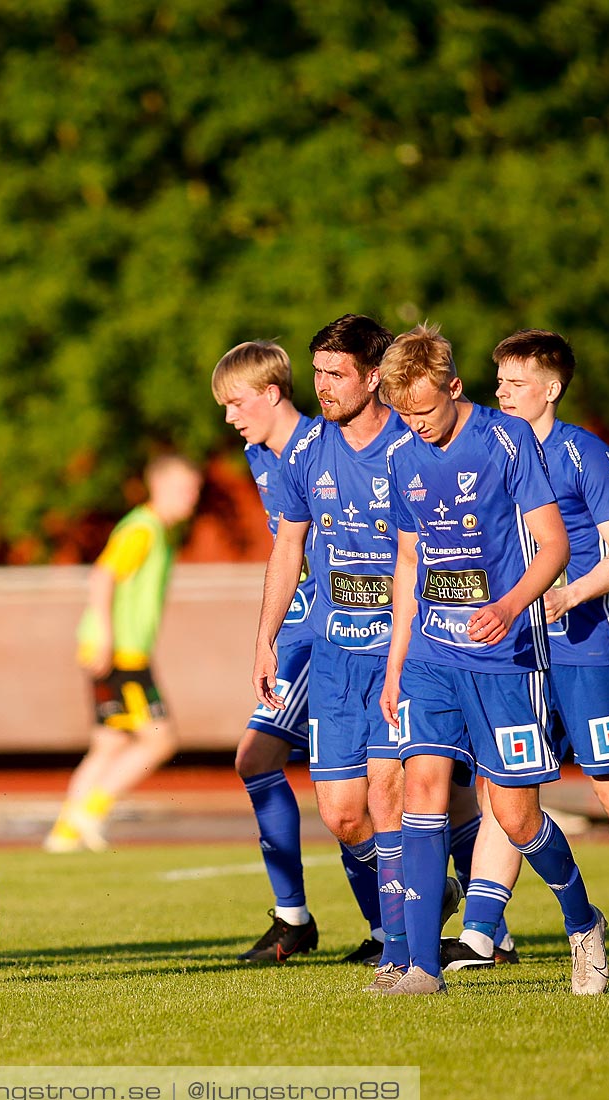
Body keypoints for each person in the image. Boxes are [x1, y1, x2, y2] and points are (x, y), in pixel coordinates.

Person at [378, 324, 607, 996]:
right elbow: (409, 560)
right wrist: (395, 666)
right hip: (429, 652)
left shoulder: (507, 443)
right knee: (420, 789)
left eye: (424, 409)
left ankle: (582, 922)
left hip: (502, 654)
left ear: (454, 387)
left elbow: (554, 545)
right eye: (403, 413)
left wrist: (509, 607)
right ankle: (422, 966)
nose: (414, 424)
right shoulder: (400, 457)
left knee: (515, 817)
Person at [437, 330, 609, 971]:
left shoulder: (583, 454)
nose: (503, 393)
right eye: (500, 381)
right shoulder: (483, 452)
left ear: (552, 388)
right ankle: (482, 935)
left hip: (587, 647)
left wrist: (568, 598)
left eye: (516, 383)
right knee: (501, 790)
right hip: (514, 653)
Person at [253, 315, 476, 978]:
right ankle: (428, 889)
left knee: (386, 795)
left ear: (373, 376)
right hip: (333, 657)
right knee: (343, 815)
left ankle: (402, 953)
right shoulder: (304, 452)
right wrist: (266, 639)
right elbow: (287, 546)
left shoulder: (413, 445)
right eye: (316, 372)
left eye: (335, 373)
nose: (321, 386)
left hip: (401, 652)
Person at [212, 341, 382, 963]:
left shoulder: (323, 445)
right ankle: (299, 917)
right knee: (263, 762)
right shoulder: (261, 455)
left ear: (272, 392)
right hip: (304, 630)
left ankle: (441, 922)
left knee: (389, 792)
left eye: (236, 403)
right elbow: (287, 551)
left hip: (347, 627)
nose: (230, 418)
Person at [45, 455, 203, 853]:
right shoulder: (144, 529)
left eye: (195, 489)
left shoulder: (157, 530)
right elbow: (102, 575)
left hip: (117, 648)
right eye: (185, 488)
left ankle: (64, 833)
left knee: (110, 743)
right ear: (159, 486)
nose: (192, 497)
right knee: (160, 740)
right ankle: (92, 810)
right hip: (122, 653)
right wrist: (105, 635)